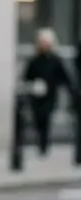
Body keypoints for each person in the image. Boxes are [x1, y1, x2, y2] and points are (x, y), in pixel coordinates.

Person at [23, 28, 75, 156]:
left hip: (50, 94)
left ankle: (43, 144)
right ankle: (40, 141)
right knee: (38, 119)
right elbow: (27, 76)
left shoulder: (55, 60)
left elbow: (64, 77)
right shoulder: (34, 60)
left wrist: (69, 90)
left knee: (46, 118)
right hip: (36, 95)